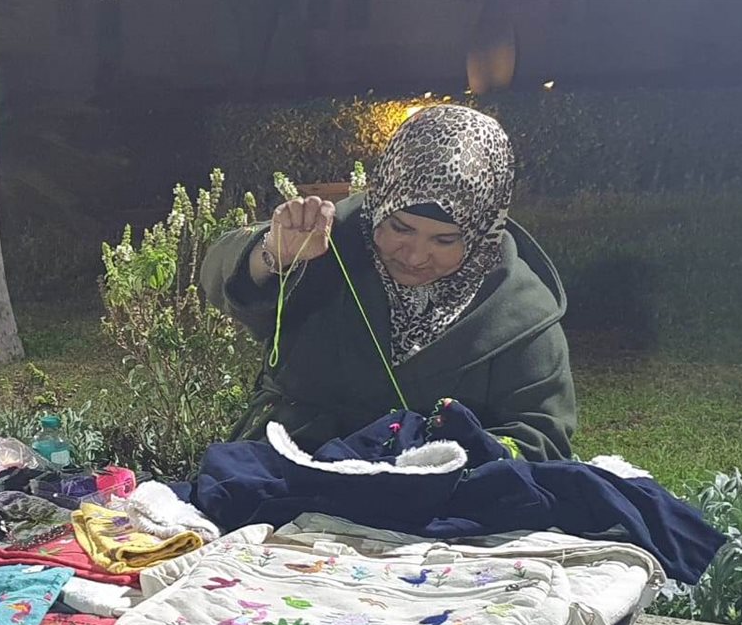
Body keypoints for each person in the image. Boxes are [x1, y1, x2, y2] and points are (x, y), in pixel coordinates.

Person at [201, 104, 576, 460]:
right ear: (380, 203)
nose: (414, 256)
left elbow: (542, 434)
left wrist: (454, 458)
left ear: (482, 234)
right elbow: (220, 274)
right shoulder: (327, 242)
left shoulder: (520, 309)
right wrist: (274, 254)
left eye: (444, 240)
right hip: (288, 467)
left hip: (444, 495)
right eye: (400, 228)